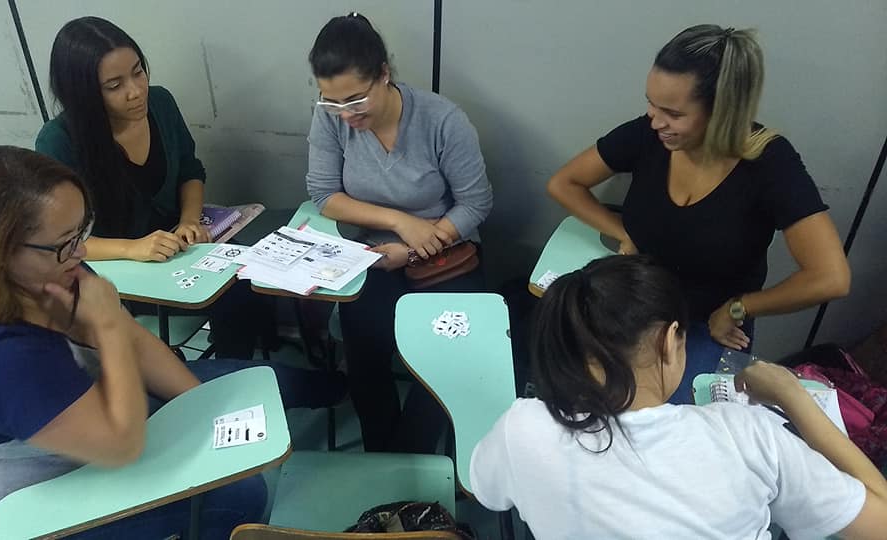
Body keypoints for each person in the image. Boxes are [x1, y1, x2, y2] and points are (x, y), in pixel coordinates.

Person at [0, 146, 266, 539]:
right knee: (239, 494)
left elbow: (136, 344)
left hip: (81, 429)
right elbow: (122, 444)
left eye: (81, 231)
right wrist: (107, 326)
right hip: (23, 517)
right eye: (66, 242)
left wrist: (204, 410)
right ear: (1, 251)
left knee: (243, 391)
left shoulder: (53, 268)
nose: (82, 251)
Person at [470, 255, 887, 539]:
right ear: (669, 341)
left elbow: (486, 491)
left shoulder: (521, 429)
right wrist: (792, 394)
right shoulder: (752, 436)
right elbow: (880, 523)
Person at [546, 25, 850, 404]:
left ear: (722, 111)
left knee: (672, 425)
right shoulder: (649, 135)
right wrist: (622, 230)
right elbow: (564, 183)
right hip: (637, 308)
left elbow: (831, 278)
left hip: (710, 325)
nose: (655, 121)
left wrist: (740, 307)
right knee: (576, 395)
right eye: (651, 104)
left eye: (673, 113)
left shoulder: (770, 163)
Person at [305, 13, 493, 452]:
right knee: (364, 348)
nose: (345, 114)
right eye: (331, 102)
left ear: (384, 75)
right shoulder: (331, 118)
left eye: (356, 100)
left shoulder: (442, 120)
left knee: (446, 356)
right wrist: (398, 221)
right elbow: (324, 194)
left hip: (444, 254)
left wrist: (410, 249)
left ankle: (411, 461)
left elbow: (476, 203)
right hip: (371, 256)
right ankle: (382, 456)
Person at [35, 16, 273, 359]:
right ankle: (213, 376)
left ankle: (233, 371)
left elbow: (190, 170)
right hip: (117, 270)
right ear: (83, 92)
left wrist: (190, 219)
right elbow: (59, 243)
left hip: (179, 250)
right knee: (231, 298)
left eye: (138, 72)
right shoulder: (59, 141)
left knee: (247, 280)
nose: (136, 91)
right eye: (114, 85)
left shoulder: (160, 103)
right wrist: (133, 248)